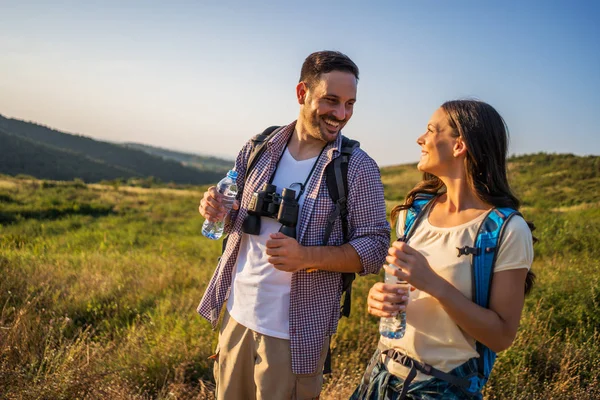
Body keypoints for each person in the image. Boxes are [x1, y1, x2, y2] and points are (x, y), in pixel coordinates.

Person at [197, 50, 390, 400]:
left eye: (349, 104)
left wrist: (307, 257)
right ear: (302, 93)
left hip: (295, 335)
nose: (341, 115)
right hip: (236, 316)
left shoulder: (358, 169)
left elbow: (376, 248)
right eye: (331, 101)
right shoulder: (258, 147)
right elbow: (235, 218)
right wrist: (218, 211)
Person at [352, 100, 535, 399]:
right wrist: (378, 298)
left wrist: (433, 283)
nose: (420, 139)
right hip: (381, 377)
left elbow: (501, 336)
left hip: (442, 389)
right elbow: (405, 291)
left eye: (431, 130)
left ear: (459, 145)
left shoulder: (505, 230)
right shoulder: (413, 214)